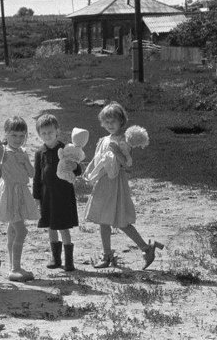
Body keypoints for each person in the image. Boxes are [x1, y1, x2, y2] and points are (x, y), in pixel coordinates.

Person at [84, 102, 164, 269]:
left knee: (121, 221)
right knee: (102, 221)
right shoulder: (103, 139)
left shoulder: (123, 141)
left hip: (116, 184)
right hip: (103, 183)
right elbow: (98, 160)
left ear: (121, 121)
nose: (109, 125)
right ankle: (107, 255)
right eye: (106, 122)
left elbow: (127, 164)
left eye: (113, 121)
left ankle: (146, 248)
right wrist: (89, 173)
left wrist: (117, 151)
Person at [33, 114, 81, 272]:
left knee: (63, 227)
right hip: (47, 195)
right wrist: (37, 197)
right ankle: (56, 258)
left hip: (63, 195)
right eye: (43, 133)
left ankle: (69, 261)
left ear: (57, 131)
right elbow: (37, 177)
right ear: (39, 134)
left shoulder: (66, 149)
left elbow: (78, 169)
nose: (47, 136)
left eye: (50, 132)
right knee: (50, 227)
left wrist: (73, 166)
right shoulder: (40, 153)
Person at [0, 116, 38, 282]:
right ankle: (15, 268)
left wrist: (25, 161)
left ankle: (14, 267)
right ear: (6, 134)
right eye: (14, 135)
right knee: (21, 230)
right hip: (9, 193)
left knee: (13, 231)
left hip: (21, 192)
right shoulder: (2, 151)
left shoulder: (23, 152)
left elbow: (32, 174)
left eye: (21, 136)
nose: (18, 139)